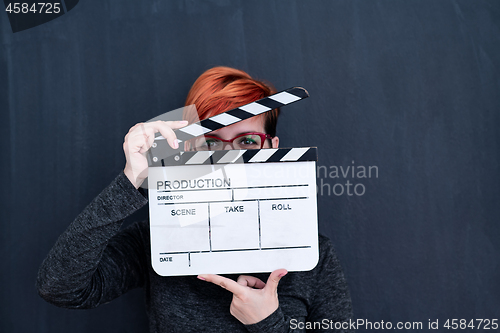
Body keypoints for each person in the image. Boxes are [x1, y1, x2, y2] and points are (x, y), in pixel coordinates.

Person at [37, 66, 353, 332]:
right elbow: (60, 288)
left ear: (271, 145)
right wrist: (132, 180)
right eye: (213, 143)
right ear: (190, 149)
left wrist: (268, 324)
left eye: (246, 140)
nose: (230, 156)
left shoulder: (313, 254)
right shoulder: (157, 238)